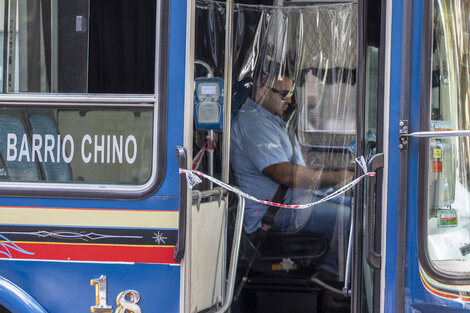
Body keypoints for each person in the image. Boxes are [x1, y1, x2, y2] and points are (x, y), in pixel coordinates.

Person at [230, 72, 353, 274]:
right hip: (273, 213)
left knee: (362, 209)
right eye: (284, 94)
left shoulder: (273, 120)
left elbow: (296, 163)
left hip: (294, 201)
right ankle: (332, 278)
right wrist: (338, 176)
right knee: (350, 219)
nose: (289, 100)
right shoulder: (253, 123)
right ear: (263, 92)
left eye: (291, 94)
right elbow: (285, 174)